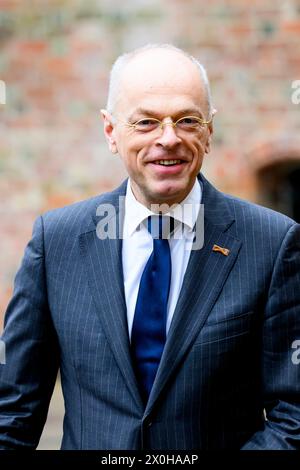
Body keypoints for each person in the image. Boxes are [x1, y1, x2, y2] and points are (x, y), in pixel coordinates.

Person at [0, 43, 299, 450]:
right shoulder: (56, 243)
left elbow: (293, 413)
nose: (169, 138)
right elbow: (12, 412)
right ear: (111, 131)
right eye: (146, 123)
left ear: (209, 131)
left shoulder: (272, 243)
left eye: (187, 120)